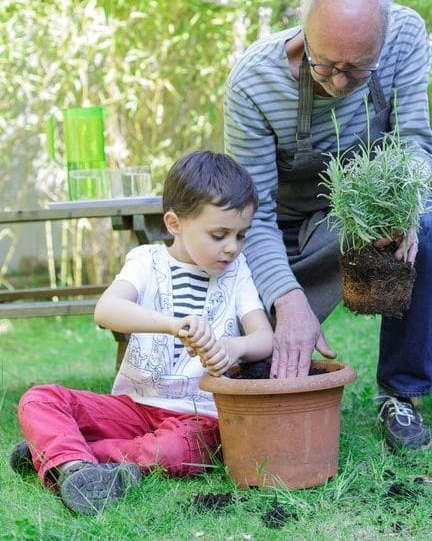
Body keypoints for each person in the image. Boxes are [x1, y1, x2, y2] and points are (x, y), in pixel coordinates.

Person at [223, 0, 432, 450]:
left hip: (359, 213)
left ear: (382, 42)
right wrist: (289, 301)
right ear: (303, 29)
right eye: (324, 65)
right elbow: (253, 216)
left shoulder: (406, 35)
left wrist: (402, 208)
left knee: (427, 223)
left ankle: (400, 396)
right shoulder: (253, 82)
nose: (340, 81)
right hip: (282, 227)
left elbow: (414, 142)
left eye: (357, 69)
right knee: (257, 346)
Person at [10, 151, 273, 515]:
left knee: (177, 451)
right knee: (40, 399)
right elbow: (107, 309)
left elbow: (264, 338)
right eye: (219, 234)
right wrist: (170, 324)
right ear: (174, 223)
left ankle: (59, 455)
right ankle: (72, 464)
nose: (232, 246)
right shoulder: (146, 260)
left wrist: (233, 346)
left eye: (241, 234)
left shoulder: (236, 271)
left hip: (197, 417)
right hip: (134, 405)